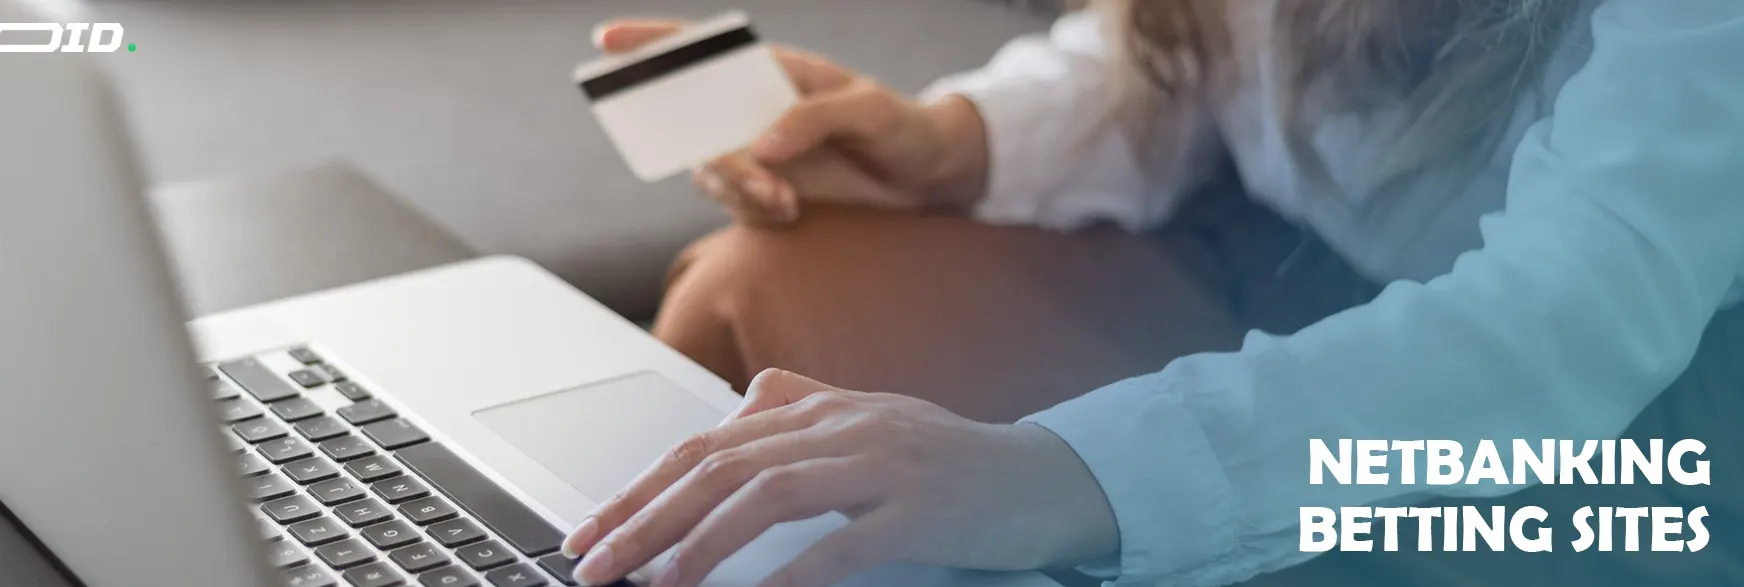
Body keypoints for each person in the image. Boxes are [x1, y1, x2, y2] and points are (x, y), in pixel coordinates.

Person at [564, 1, 1744, 586]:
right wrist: (950, 141)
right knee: (774, 274)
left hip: (1614, 442)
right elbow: (1174, 50)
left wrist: (1071, 469)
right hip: (1275, 269)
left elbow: (1556, 323)